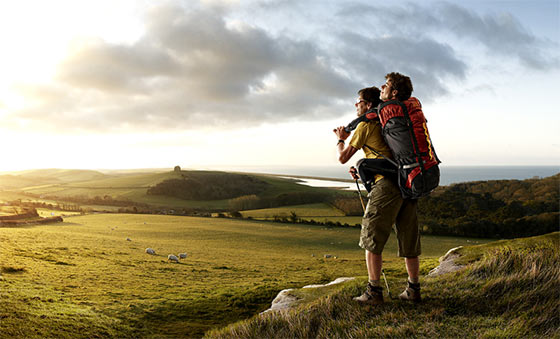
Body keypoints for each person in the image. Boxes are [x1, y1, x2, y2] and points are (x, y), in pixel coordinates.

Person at [333, 74, 421, 305]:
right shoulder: (388, 123)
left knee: (371, 238)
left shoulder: (365, 125)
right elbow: (384, 154)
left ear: (369, 105)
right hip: (406, 182)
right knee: (408, 238)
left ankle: (374, 292)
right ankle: (413, 289)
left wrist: (341, 139)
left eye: (359, 101)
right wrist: (366, 170)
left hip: (387, 187)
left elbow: (343, 157)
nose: (356, 105)